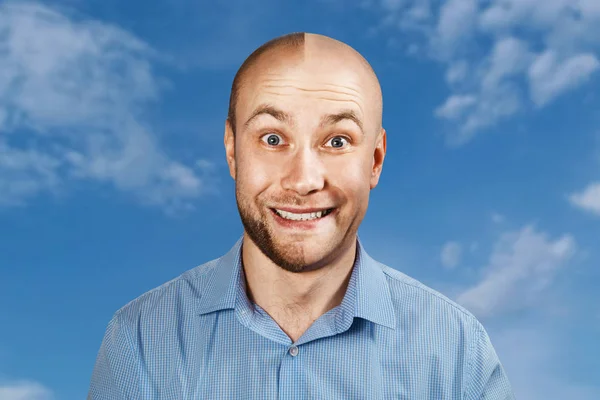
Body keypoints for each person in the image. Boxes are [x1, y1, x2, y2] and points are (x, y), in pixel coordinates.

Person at [88, 32, 515, 399]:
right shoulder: (141, 339)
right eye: (273, 138)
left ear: (376, 160)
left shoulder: (457, 349)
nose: (304, 180)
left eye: (337, 141)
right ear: (233, 150)